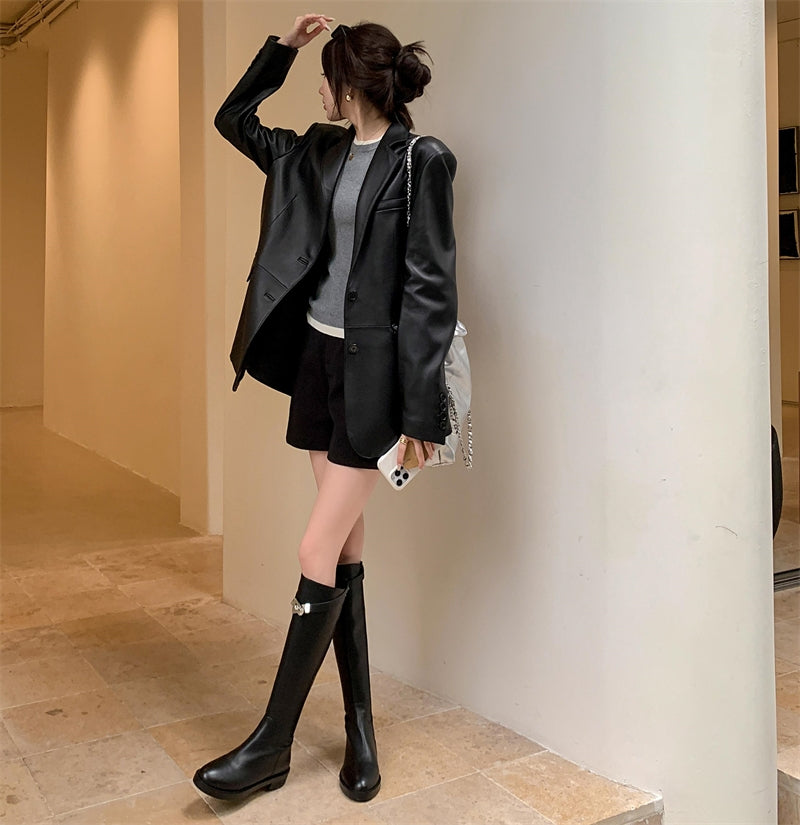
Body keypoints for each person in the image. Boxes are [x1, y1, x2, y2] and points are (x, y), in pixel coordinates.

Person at [192, 13, 458, 804]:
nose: (318, 89)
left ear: (352, 84)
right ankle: (361, 729)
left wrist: (422, 415)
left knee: (315, 545)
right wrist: (283, 50)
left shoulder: (420, 161)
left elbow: (431, 290)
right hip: (316, 363)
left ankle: (270, 745)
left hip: (377, 384)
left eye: (325, 77)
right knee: (341, 547)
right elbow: (233, 119)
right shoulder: (316, 149)